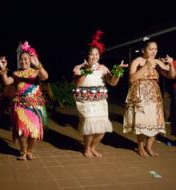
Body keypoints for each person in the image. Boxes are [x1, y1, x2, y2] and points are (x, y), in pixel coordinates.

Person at [73, 30, 128, 158]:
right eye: (91, 54)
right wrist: (86, 71)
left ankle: (93, 147)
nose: (94, 57)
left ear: (99, 56)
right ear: (87, 56)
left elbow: (112, 83)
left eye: (96, 54)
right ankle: (86, 149)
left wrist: (118, 72)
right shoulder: (79, 68)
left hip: (100, 101)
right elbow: (78, 84)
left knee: (102, 128)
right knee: (90, 124)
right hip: (85, 100)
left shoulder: (103, 68)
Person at [123, 40, 175, 157]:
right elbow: (132, 78)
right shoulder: (137, 61)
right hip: (140, 95)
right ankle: (141, 147)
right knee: (142, 121)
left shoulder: (157, 62)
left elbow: (171, 75)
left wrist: (171, 65)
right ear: (143, 50)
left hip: (154, 95)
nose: (153, 52)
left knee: (156, 121)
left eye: (155, 49)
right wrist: (146, 66)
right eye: (150, 49)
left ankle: (149, 147)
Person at [0, 41, 48, 160]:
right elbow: (6, 82)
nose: (23, 61)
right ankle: (23, 152)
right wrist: (3, 69)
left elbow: (45, 77)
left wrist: (38, 65)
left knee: (34, 131)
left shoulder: (36, 73)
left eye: (26, 59)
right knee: (22, 130)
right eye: (21, 59)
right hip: (20, 105)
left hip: (35, 106)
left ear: (31, 60)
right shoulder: (16, 73)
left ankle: (30, 151)